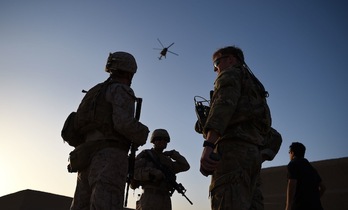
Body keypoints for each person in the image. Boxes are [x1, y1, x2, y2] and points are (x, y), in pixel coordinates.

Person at [70, 51, 150, 210]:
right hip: (109, 157)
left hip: (85, 156)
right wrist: (143, 133)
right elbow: (123, 123)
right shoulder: (120, 89)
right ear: (129, 71)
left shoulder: (94, 92)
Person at [199, 46, 272, 210]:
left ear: (230, 60)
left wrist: (209, 144)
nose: (215, 70)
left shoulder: (230, 74)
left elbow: (223, 106)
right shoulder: (254, 87)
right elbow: (267, 125)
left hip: (232, 153)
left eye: (216, 64)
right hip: (251, 155)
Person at [133, 129, 190, 210]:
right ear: (153, 141)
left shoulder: (167, 160)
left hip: (165, 198)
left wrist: (174, 154)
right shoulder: (146, 155)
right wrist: (151, 172)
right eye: (159, 138)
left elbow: (185, 166)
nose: (163, 141)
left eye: (166, 140)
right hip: (149, 196)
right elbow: (133, 171)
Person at [285, 142, 326, 210]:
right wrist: (314, 200)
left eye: (289, 152)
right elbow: (323, 188)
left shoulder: (293, 164)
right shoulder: (311, 168)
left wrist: (288, 206)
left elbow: (292, 184)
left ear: (292, 152)